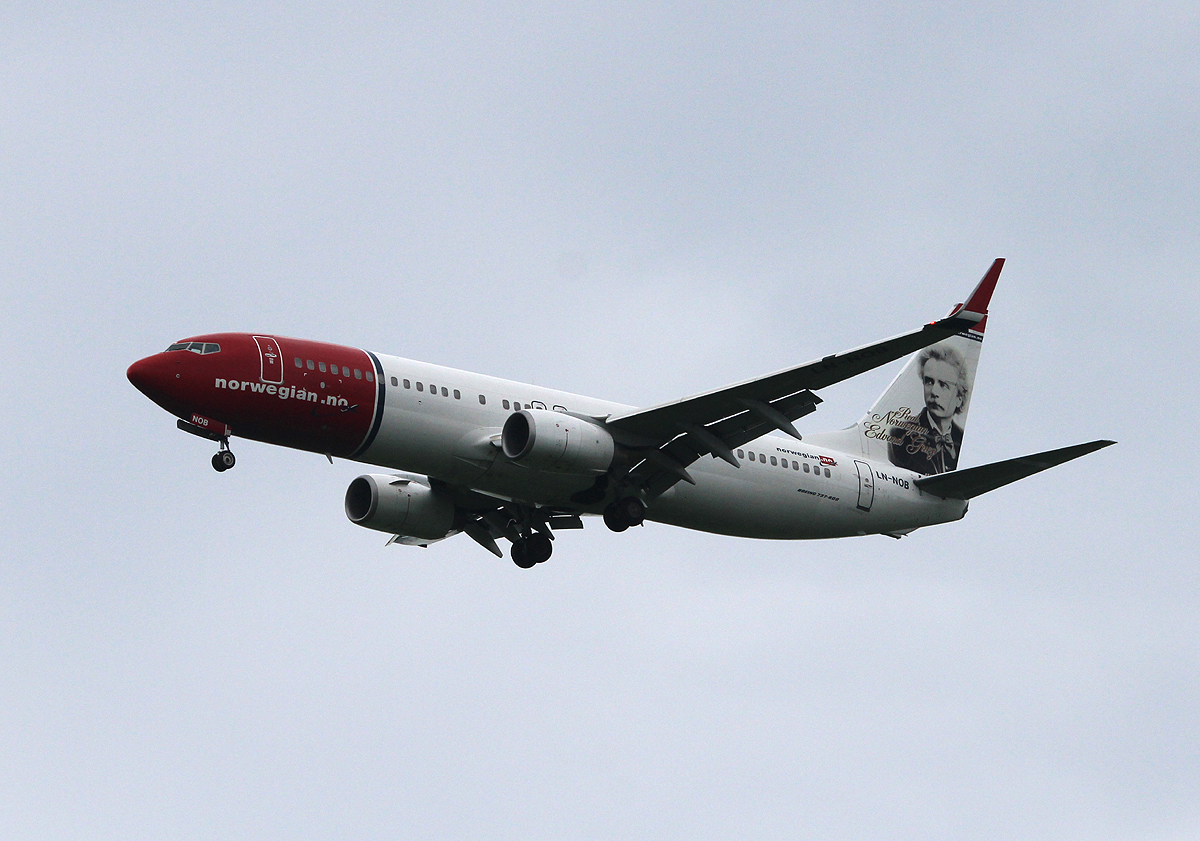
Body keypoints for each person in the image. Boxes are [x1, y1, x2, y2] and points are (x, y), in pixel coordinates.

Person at [887, 344, 968, 474]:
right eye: (929, 382)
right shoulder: (899, 434)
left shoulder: (960, 438)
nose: (934, 392)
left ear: (959, 397)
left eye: (943, 385)